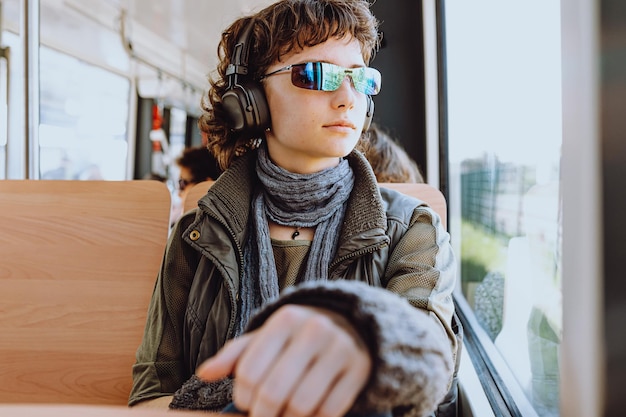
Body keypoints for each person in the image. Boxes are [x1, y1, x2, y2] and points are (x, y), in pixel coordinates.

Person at [129, 1, 458, 417]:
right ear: (250, 100)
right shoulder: (198, 232)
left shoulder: (411, 227)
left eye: (360, 79)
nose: (347, 98)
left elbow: (434, 360)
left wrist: (367, 338)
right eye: (317, 75)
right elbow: (152, 390)